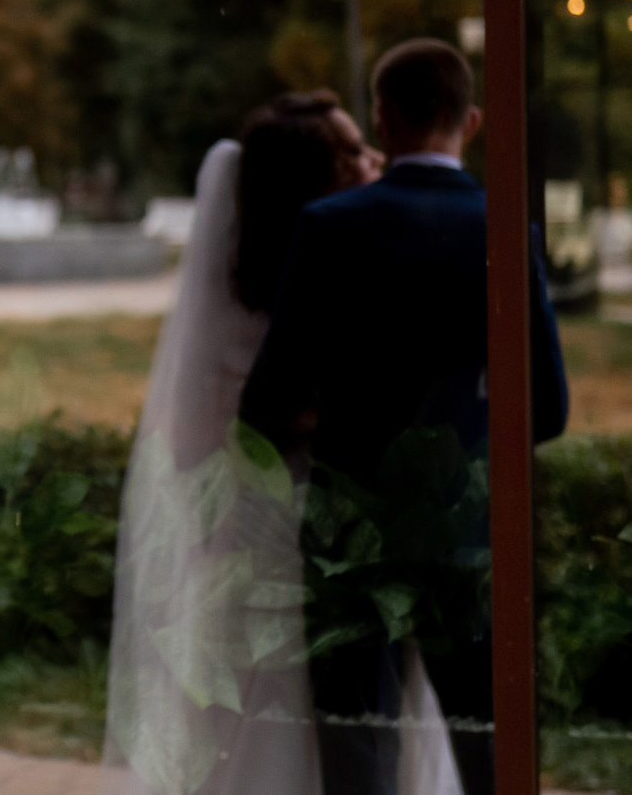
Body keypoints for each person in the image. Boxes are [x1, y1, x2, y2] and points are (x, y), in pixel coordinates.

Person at [239, 39, 570, 795]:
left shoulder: (329, 225)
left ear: (382, 116)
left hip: (350, 539)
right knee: (490, 752)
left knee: (358, 751)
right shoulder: (504, 229)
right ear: (471, 121)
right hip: (470, 535)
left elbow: (265, 404)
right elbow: (547, 410)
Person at [104, 91, 386, 795]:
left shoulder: (244, 288)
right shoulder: (291, 298)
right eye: (353, 151)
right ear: (315, 175)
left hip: (253, 528)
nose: (374, 160)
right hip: (291, 529)